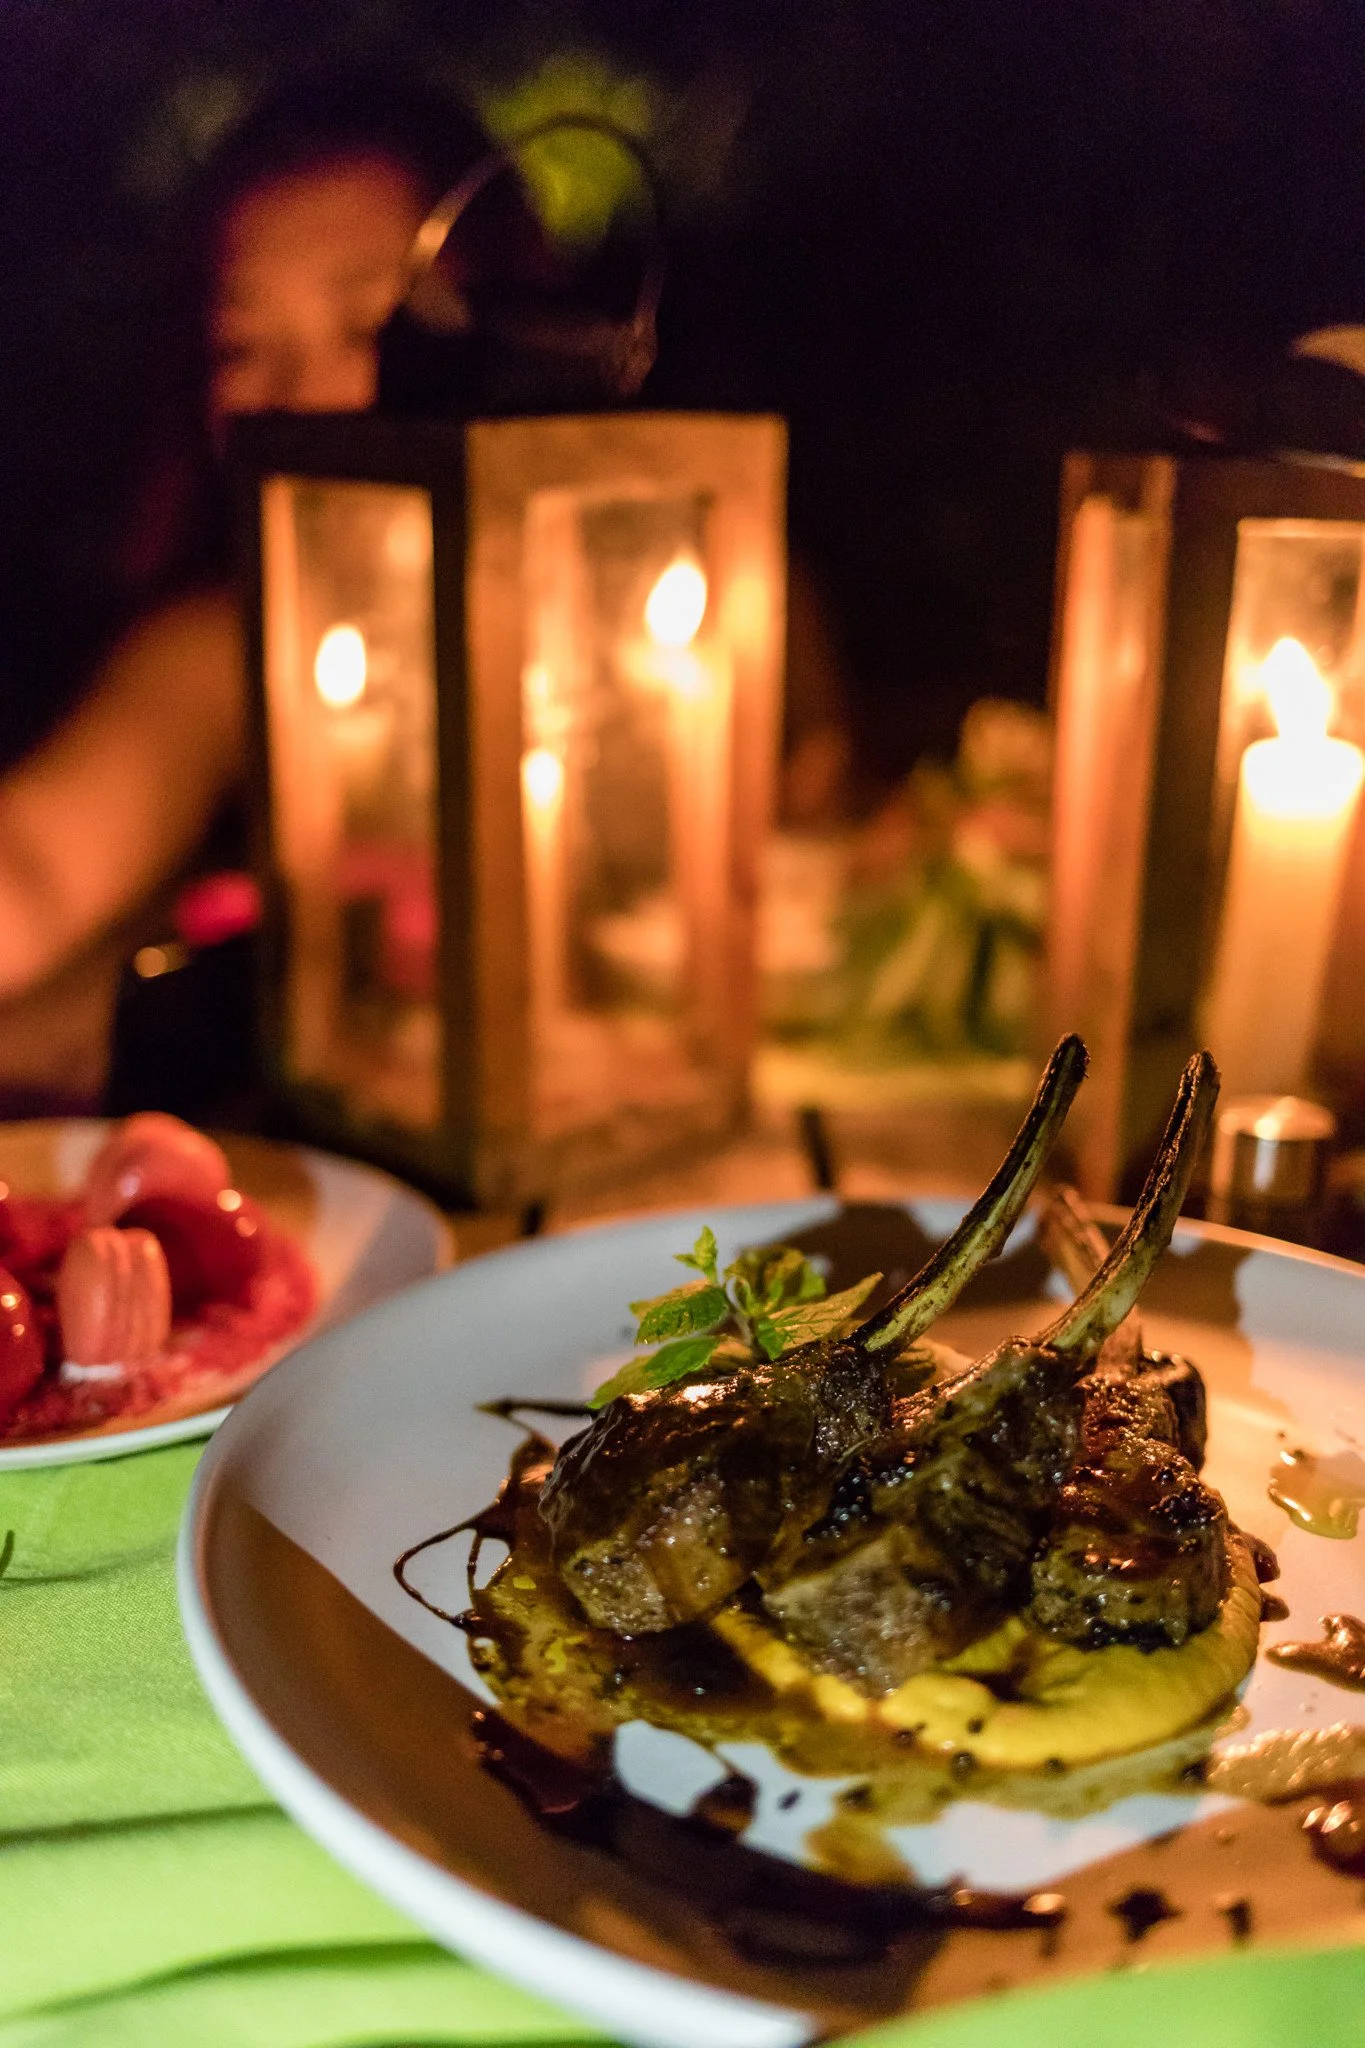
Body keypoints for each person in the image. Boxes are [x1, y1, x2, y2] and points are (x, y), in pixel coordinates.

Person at [0, 75, 500, 1101]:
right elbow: (37, 865)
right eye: (242, 346)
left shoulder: (685, 611)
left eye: (370, 329)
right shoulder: (232, 646)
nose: (300, 399)